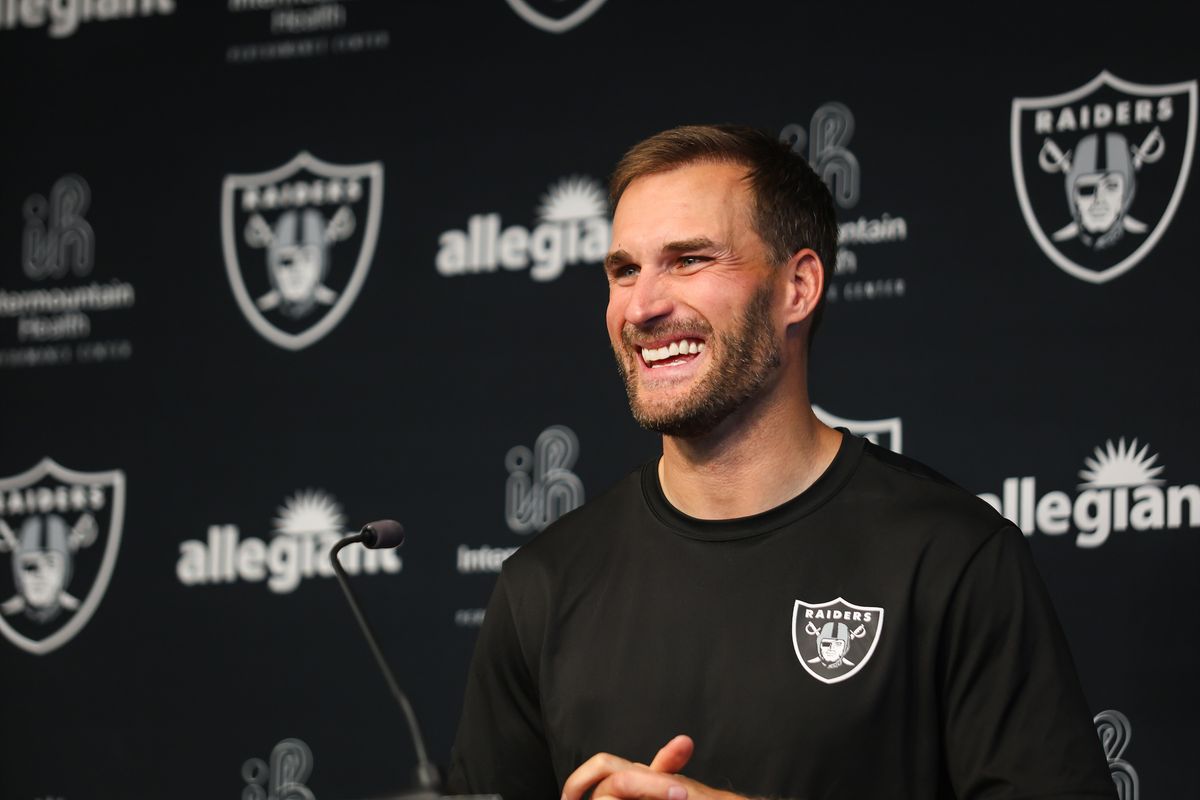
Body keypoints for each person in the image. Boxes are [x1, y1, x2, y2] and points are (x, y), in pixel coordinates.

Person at [447, 124, 1115, 800]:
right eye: (624, 271)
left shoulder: (952, 558)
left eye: (689, 260)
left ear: (798, 286)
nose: (642, 306)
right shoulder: (542, 585)